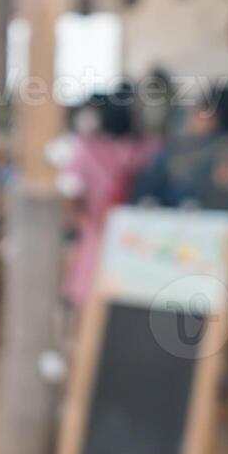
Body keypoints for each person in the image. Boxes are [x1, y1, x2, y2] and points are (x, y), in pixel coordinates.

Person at [134, 87, 228, 302]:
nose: (189, 117)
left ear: (210, 116)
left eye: (195, 110)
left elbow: (144, 197)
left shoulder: (181, 153)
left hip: (188, 257)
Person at [59, 92, 161, 306]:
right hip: (140, 241)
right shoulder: (149, 149)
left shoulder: (86, 149)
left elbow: (71, 193)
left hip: (98, 235)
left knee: (88, 303)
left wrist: (82, 222)